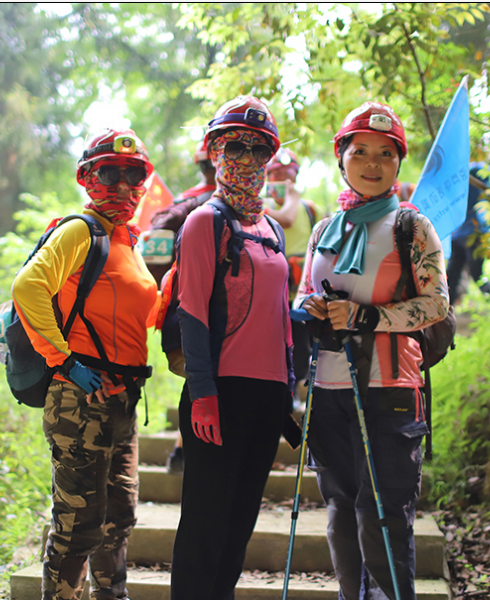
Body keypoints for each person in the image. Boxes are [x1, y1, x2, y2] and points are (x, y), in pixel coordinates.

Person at [294, 101, 450, 600]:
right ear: (342, 157)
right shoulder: (324, 231)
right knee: (341, 511)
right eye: (360, 151)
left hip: (389, 392)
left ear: (399, 162)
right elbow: (302, 294)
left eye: (386, 153)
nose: (372, 163)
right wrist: (312, 310)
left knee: (381, 514)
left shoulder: (411, 227)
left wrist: (367, 317)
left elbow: (438, 305)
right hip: (328, 390)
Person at [12, 128, 158, 600]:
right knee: (79, 524)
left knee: (120, 516)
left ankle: (111, 595)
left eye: (133, 173)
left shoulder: (128, 242)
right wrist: (65, 360)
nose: (122, 184)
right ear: (88, 177)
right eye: (110, 173)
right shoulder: (81, 230)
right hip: (80, 398)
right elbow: (29, 287)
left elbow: (139, 317)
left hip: (121, 399)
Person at [170, 95, 299, 600]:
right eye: (234, 146)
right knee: (205, 523)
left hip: (267, 397)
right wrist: (202, 391)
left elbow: (280, 320)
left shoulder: (270, 228)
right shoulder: (206, 221)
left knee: (240, 522)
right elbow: (193, 311)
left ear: (270, 156)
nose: (246, 158)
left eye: (257, 148)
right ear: (215, 151)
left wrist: (290, 390)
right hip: (218, 393)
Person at [142, 141, 217, 474]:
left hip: (180, 321)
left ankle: (183, 450)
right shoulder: (238, 207)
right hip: (218, 320)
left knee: (196, 383)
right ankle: (191, 451)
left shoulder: (182, 204)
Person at [263, 148, 319, 407]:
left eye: (288, 174)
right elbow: (284, 219)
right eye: (277, 174)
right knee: (274, 336)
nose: (284, 180)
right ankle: (279, 388)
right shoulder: (261, 206)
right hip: (272, 279)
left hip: (301, 280)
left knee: (302, 336)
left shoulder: (309, 208)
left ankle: (300, 388)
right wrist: (292, 198)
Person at [446, 161, 490, 305]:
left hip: (473, 232)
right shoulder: (462, 173)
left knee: (474, 272)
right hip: (460, 232)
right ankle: (445, 311)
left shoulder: (474, 171)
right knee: (453, 274)